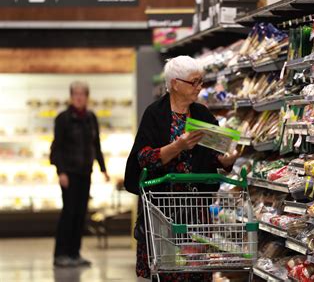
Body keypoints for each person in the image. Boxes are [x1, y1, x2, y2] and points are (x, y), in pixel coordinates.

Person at [124, 56, 238, 282]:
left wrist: (226, 161)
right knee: (168, 271)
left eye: (201, 81)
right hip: (162, 210)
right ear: (175, 83)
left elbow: (214, 156)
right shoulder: (155, 114)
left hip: (196, 208)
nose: (199, 87)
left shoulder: (203, 115)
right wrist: (178, 146)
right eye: (193, 82)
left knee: (197, 271)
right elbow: (144, 158)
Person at [50, 81, 110, 267]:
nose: (79, 97)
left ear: (87, 97)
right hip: (69, 173)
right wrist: (61, 171)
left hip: (85, 173)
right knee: (69, 213)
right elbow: (56, 148)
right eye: (75, 94)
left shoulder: (91, 118)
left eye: (82, 94)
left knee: (81, 214)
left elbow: (96, 144)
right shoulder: (63, 118)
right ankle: (61, 254)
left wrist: (103, 168)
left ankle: (75, 254)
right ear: (71, 96)